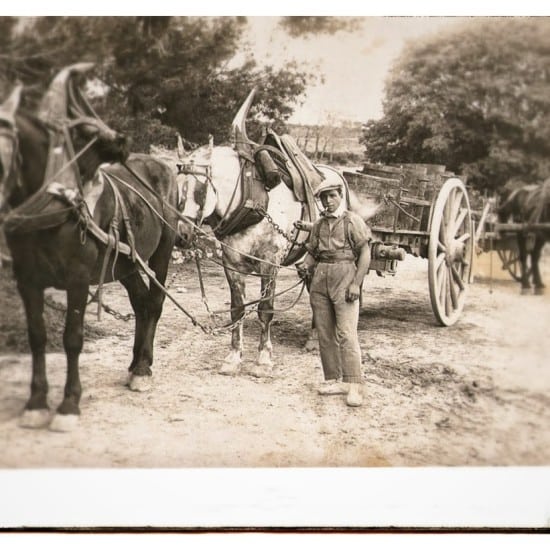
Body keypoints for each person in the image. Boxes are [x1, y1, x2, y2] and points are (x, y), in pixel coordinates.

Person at [295, 179, 371, 407]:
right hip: (319, 281)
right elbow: (313, 253)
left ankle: (355, 385)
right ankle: (334, 379)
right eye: (323, 197)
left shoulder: (352, 221)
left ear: (340, 196)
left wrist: (357, 283)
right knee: (325, 334)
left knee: (346, 333)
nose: (328, 201)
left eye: (332, 196)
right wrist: (305, 265)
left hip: (344, 278)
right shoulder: (318, 225)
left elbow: (365, 253)